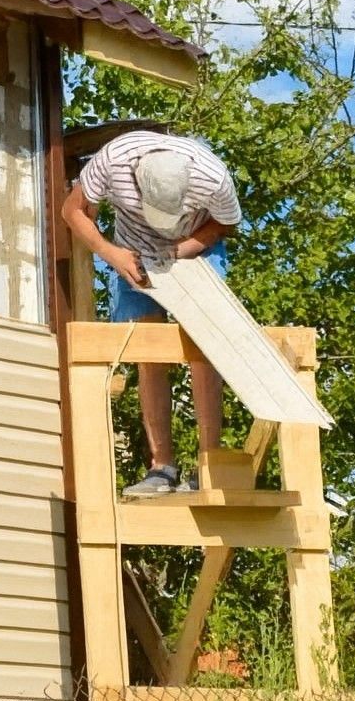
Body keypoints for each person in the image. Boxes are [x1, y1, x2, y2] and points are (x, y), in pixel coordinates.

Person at [62, 130, 242, 497]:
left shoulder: (213, 176)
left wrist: (185, 248)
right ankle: (162, 468)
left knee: (204, 347)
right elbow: (72, 210)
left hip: (195, 251)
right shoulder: (114, 161)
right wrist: (109, 252)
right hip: (133, 254)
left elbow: (226, 223)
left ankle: (209, 464)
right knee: (148, 350)